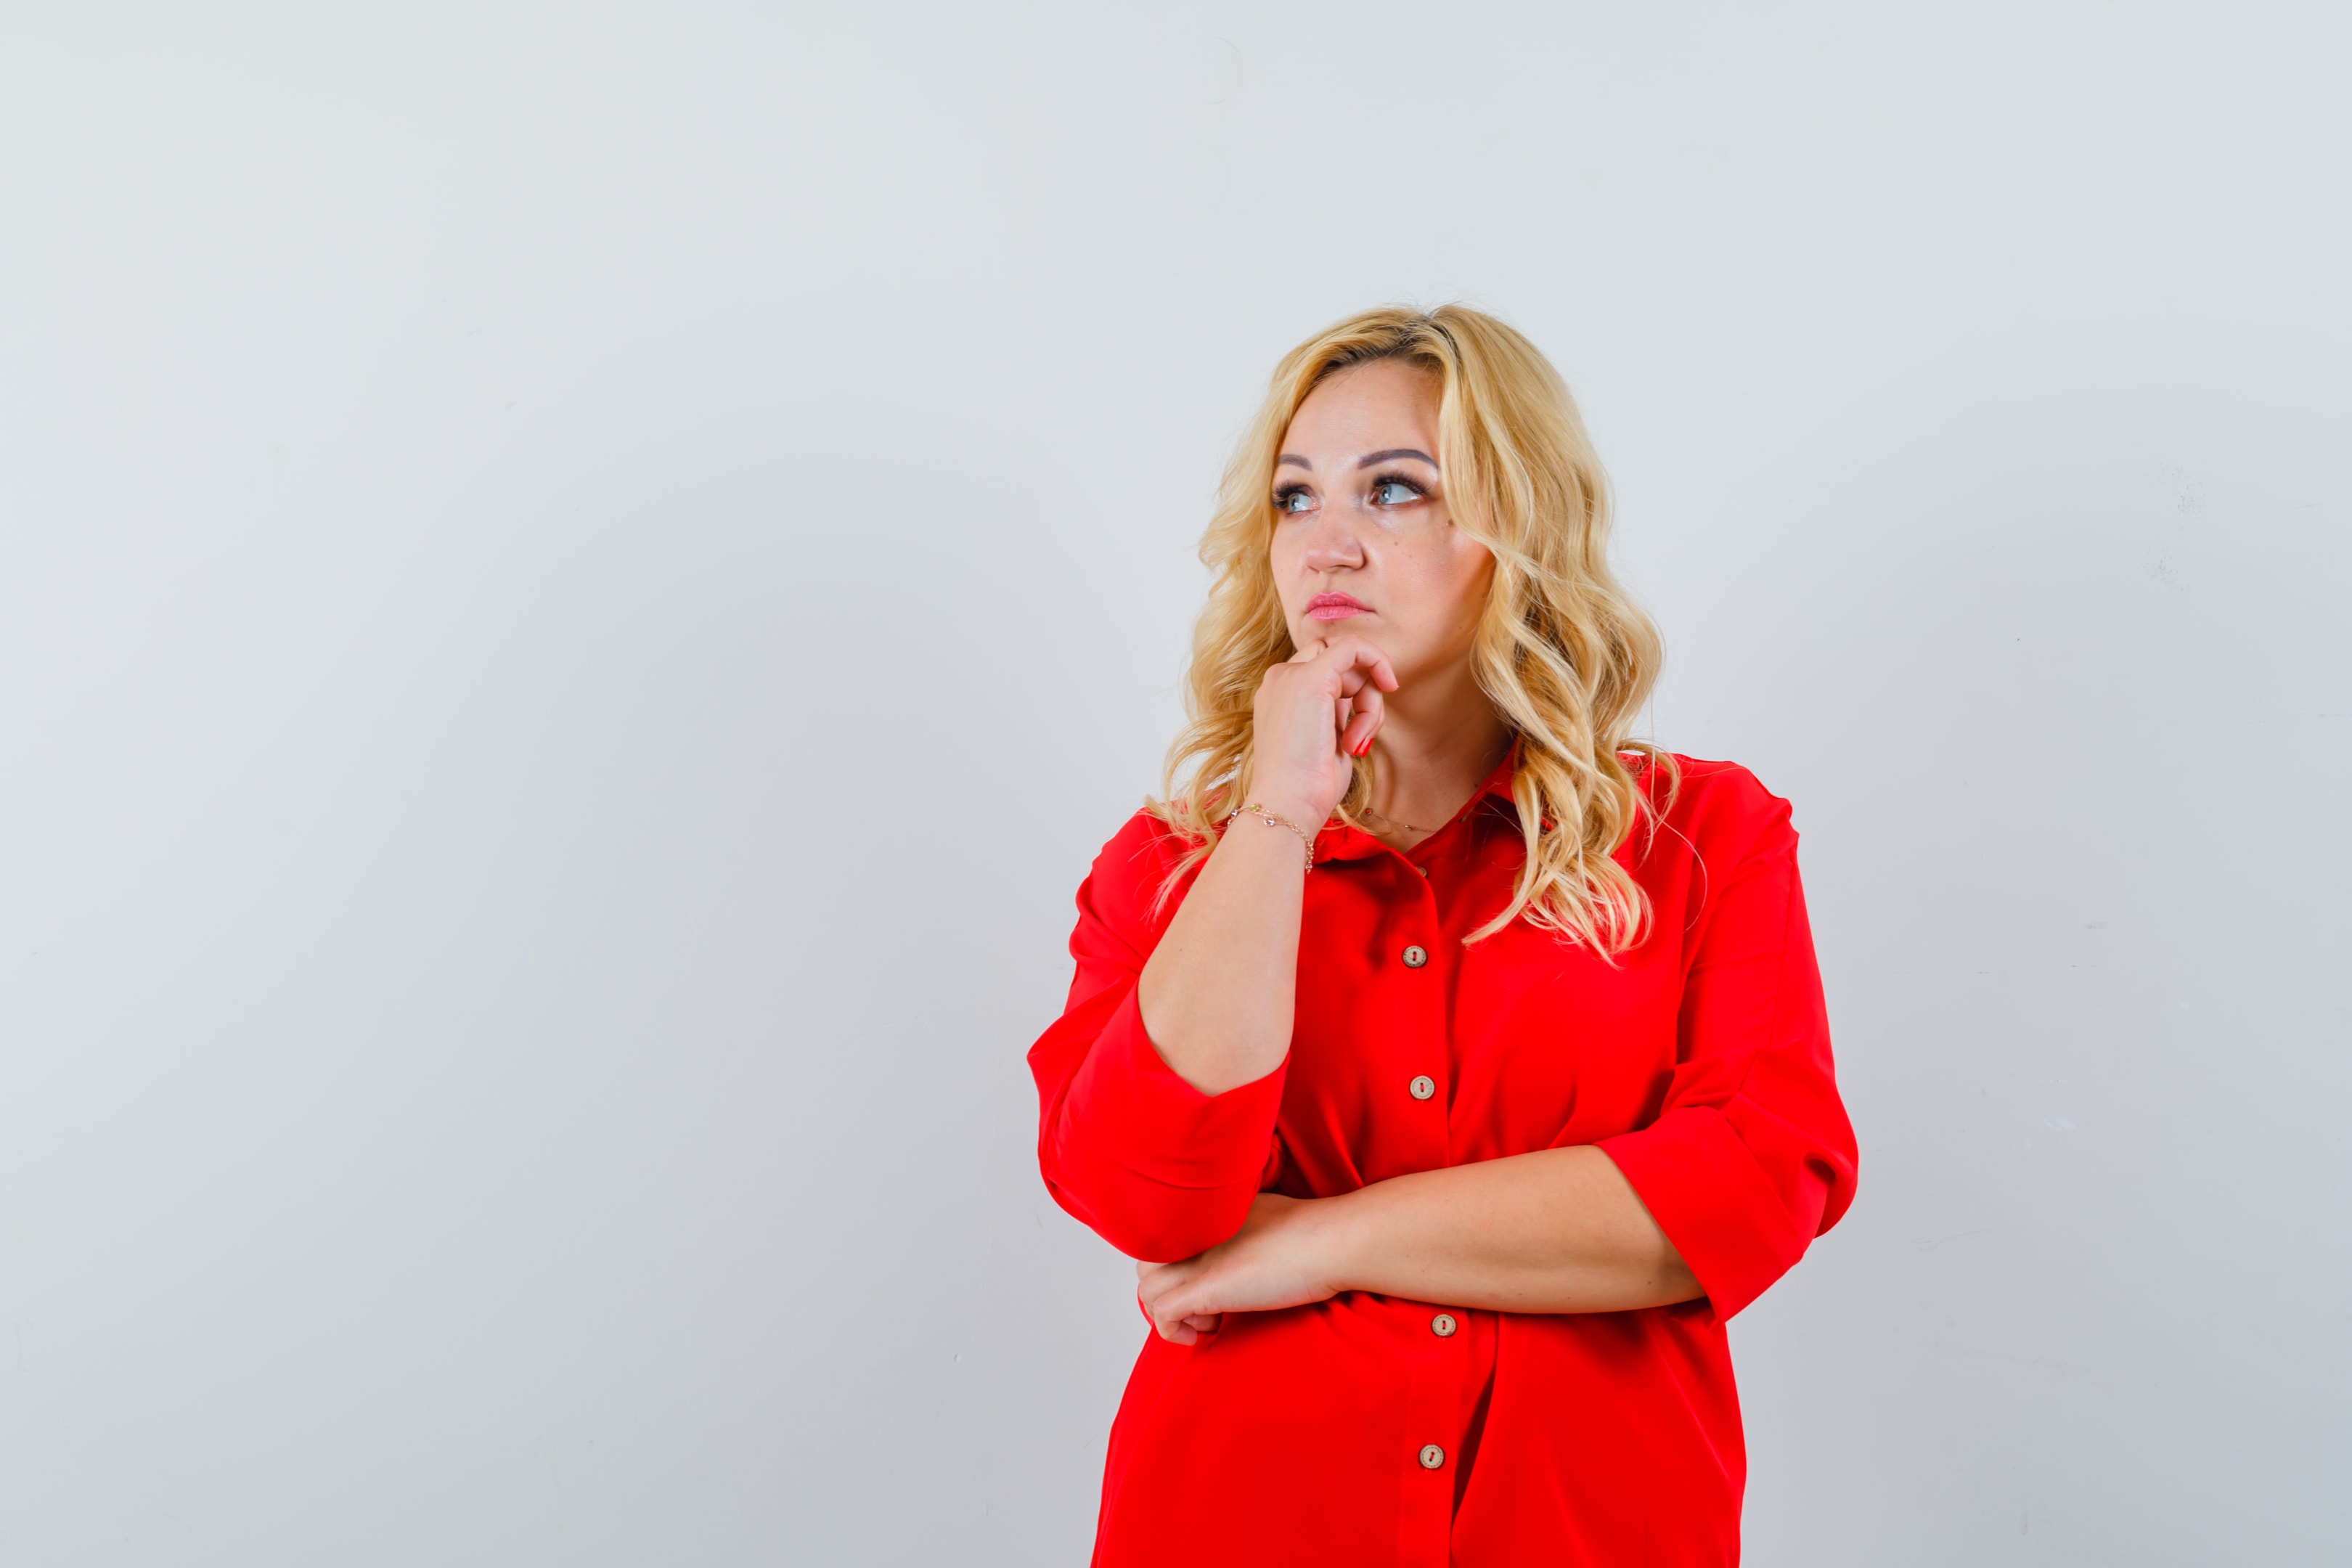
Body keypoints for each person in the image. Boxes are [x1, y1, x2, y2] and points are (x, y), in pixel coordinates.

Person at [1026, 305, 1858, 1567]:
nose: (1328, 545)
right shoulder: (1174, 868)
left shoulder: (1700, 837)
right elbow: (1149, 1195)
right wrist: (1277, 815)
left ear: (1516, 525)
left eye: (1395, 491)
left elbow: (1749, 1185)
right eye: (1294, 499)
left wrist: (1311, 1241)